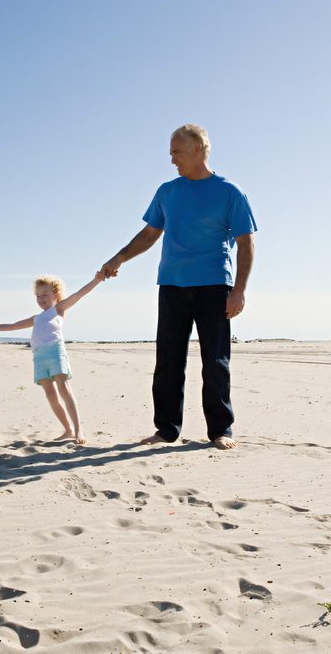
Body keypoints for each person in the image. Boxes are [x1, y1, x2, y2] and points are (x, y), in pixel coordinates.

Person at [100, 124, 257, 450]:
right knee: (168, 360)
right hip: (171, 286)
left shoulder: (230, 192)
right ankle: (167, 430)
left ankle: (220, 430)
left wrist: (239, 289)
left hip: (214, 286)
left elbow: (246, 242)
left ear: (198, 149)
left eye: (176, 151)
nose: (172, 159)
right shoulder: (168, 191)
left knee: (215, 362)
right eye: (171, 152)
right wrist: (119, 257)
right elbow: (148, 234)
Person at [0, 271, 105, 445]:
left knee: (64, 389)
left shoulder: (58, 310)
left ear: (56, 295)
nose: (41, 298)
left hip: (55, 352)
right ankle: (67, 430)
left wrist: (96, 280)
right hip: (39, 357)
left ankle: (78, 430)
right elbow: (13, 325)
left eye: (45, 294)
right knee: (51, 395)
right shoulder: (36, 318)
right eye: (38, 296)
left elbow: (79, 294)